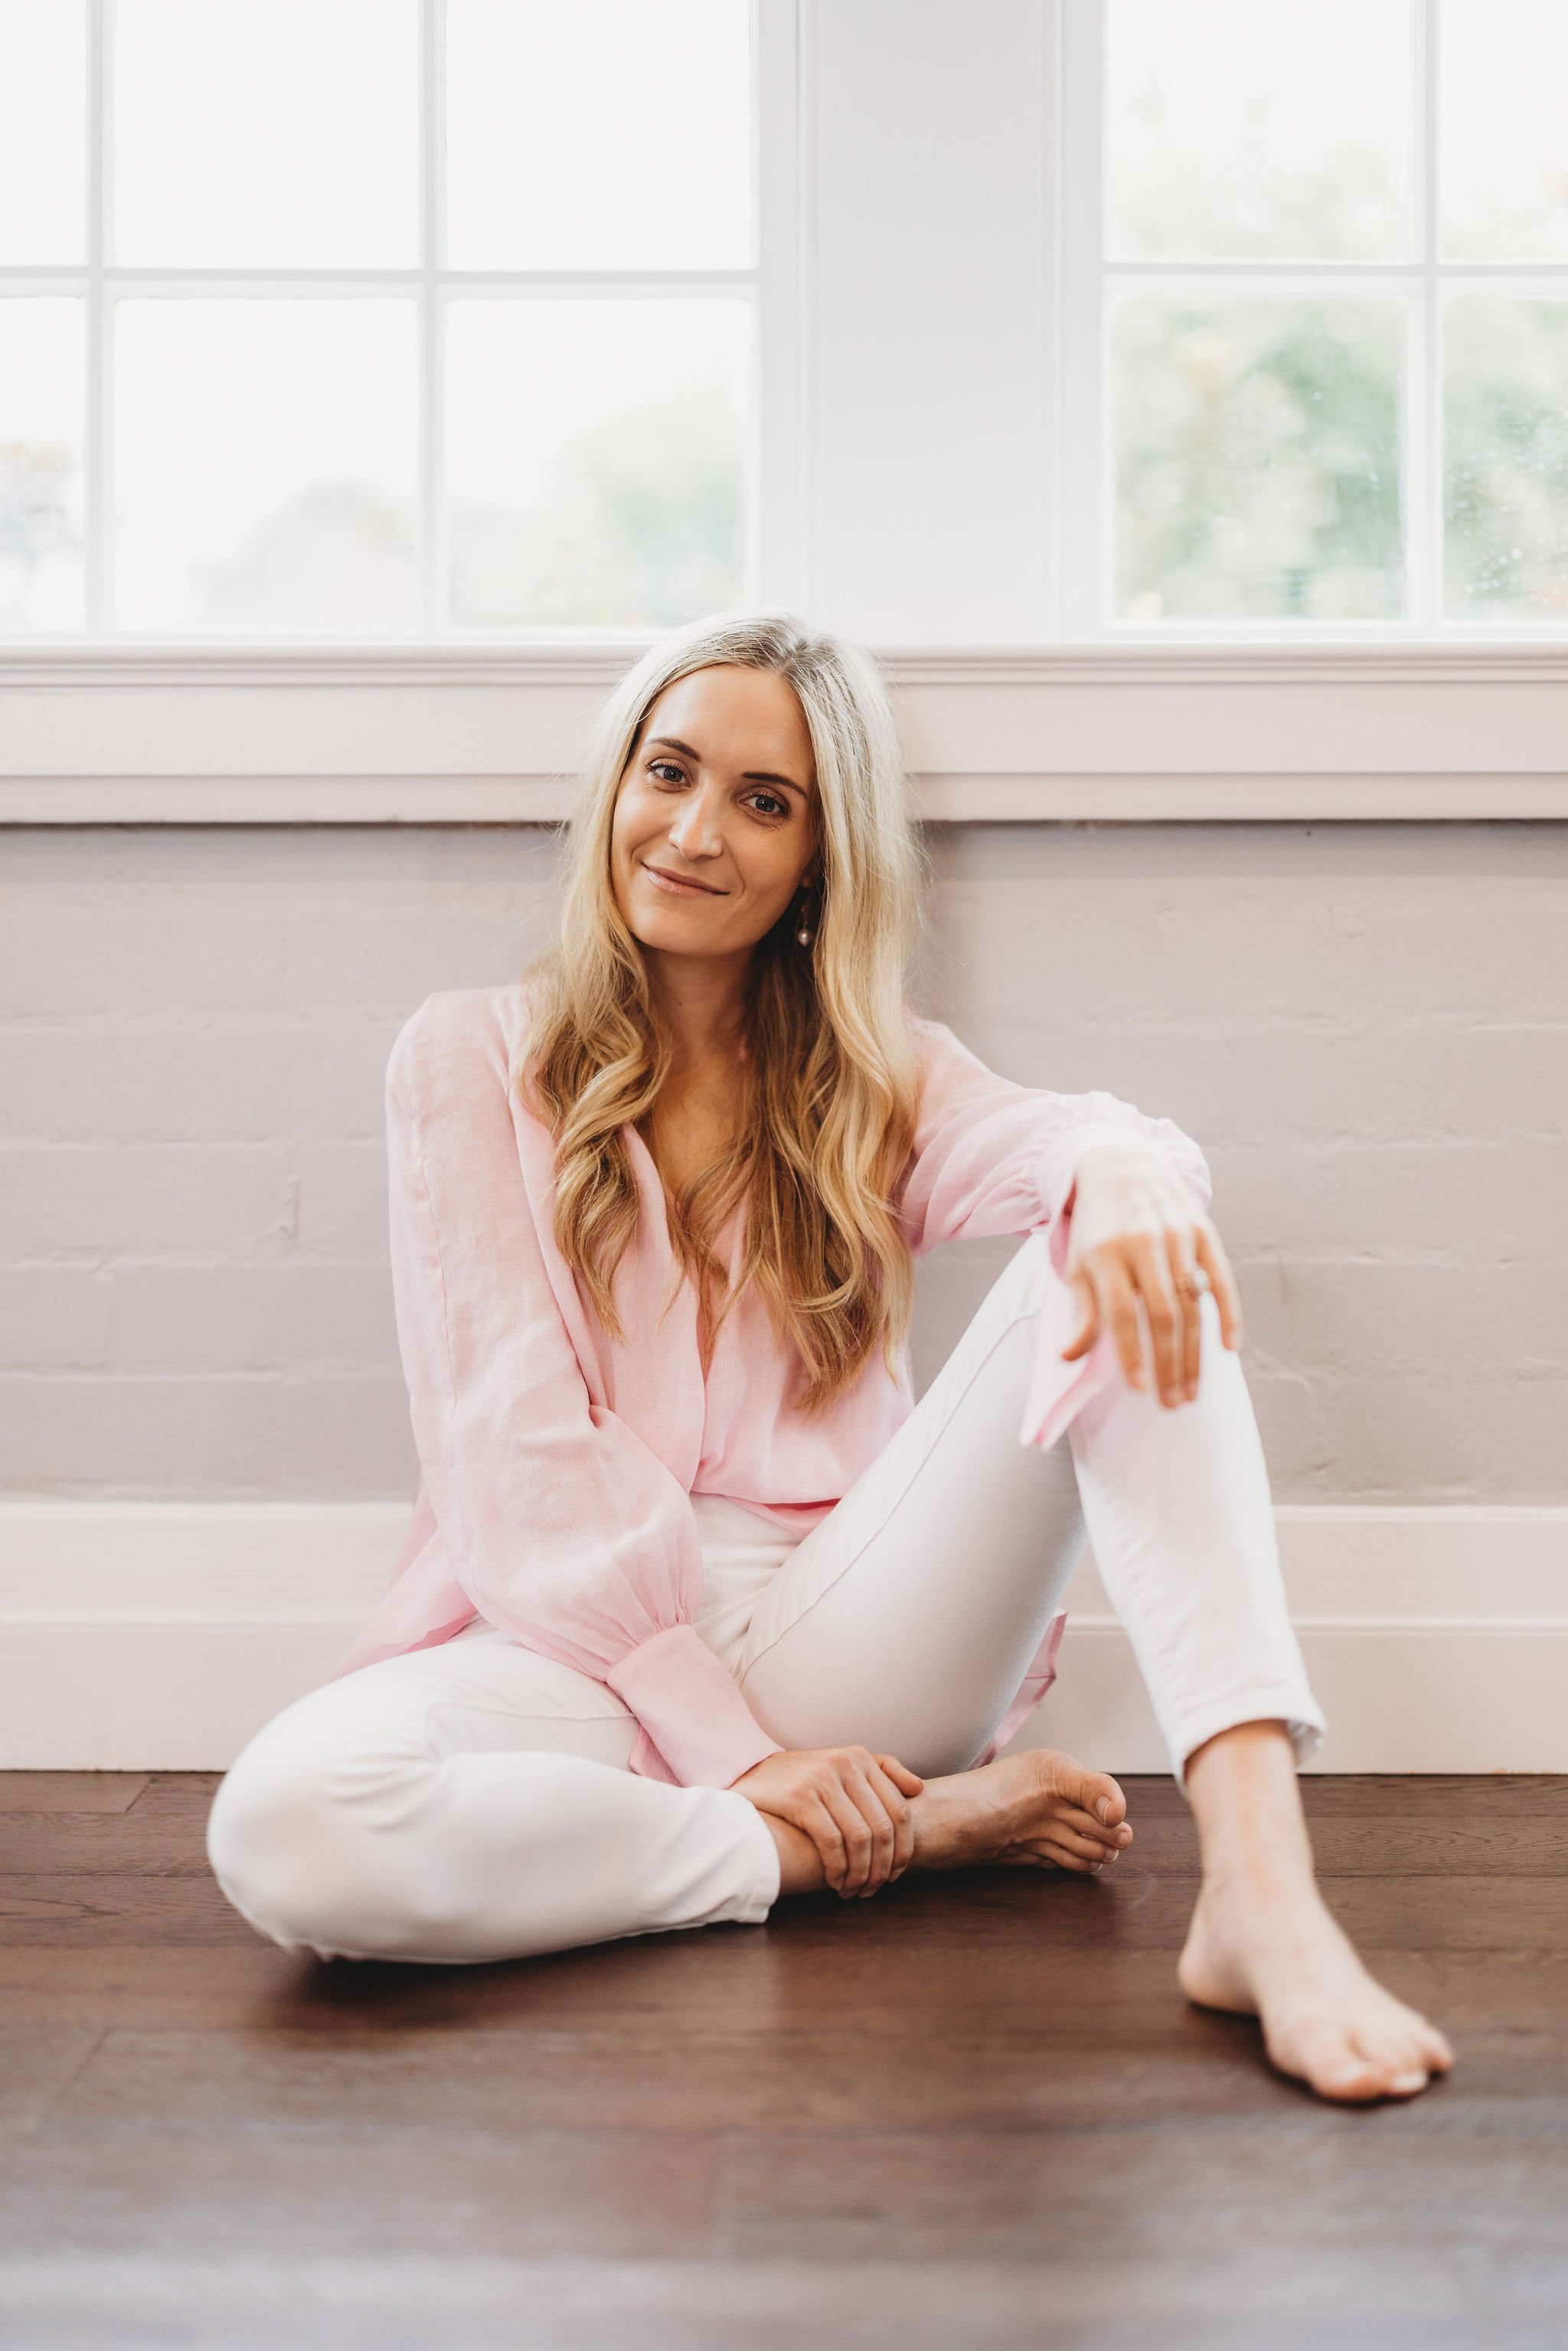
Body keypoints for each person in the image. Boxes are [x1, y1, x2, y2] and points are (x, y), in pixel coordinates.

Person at [207, 612, 1452, 2106]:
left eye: (763, 801)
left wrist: (1119, 1172)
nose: (694, 831)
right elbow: (509, 1450)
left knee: (1113, 1248)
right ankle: (882, 1840)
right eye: (669, 772)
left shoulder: (874, 1072)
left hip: (856, 1622)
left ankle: (1262, 1892)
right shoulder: (465, 1055)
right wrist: (733, 1752)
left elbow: (1056, 1143)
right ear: (616, 784)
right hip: (574, 1641)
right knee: (288, 1826)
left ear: (815, 858)